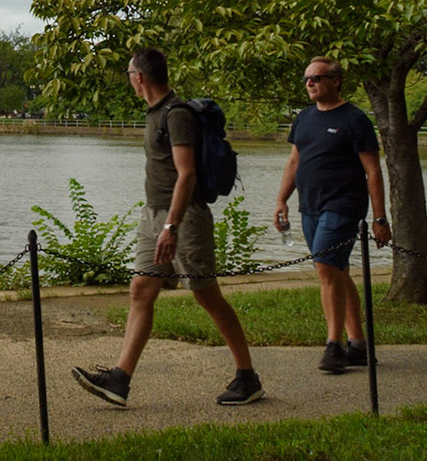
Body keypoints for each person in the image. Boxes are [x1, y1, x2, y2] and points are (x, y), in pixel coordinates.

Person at [72, 49, 263, 407]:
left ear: (139, 77)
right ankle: (120, 379)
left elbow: (187, 173)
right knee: (141, 289)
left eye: (129, 72)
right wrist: (159, 223)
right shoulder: (154, 114)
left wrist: (172, 227)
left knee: (207, 295)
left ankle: (247, 377)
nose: (128, 78)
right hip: (153, 215)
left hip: (184, 218)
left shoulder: (177, 115)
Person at [273, 56, 390, 374]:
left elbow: (373, 171)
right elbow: (294, 162)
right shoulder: (304, 119)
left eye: (317, 78)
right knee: (337, 271)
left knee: (325, 268)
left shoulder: (355, 119)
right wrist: (282, 199)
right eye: (306, 79)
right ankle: (358, 346)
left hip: (343, 205)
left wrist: (380, 218)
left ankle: (333, 346)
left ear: (335, 81)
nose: (309, 83)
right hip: (309, 206)